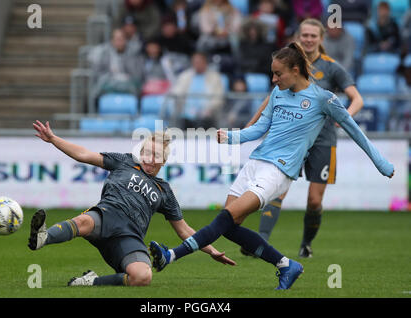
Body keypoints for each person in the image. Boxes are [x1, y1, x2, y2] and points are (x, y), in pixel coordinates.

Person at [149, 42, 394, 290]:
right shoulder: (278, 94)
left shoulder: (324, 99)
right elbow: (259, 128)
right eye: (272, 73)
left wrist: (381, 163)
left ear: (296, 70)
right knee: (230, 228)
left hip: (278, 171)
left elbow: (355, 131)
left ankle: (171, 255)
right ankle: (286, 265)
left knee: (227, 217)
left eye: (279, 74)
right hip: (255, 163)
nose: (274, 79)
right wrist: (232, 136)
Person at [28, 121, 236, 287]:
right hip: (106, 216)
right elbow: (84, 154)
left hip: (129, 237)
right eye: (146, 152)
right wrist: (54, 139)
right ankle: (43, 237)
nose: (149, 158)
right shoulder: (124, 162)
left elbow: (184, 230)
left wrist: (211, 251)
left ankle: (91, 281)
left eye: (156, 155)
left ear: (164, 161)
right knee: (84, 221)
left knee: (142, 277)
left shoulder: (164, 190)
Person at [244, 18, 364, 257]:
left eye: (313, 36)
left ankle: (306, 244)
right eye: (304, 35)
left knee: (314, 201)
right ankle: (260, 242)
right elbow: (273, 96)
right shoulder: (290, 63)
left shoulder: (332, 68)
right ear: (298, 37)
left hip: (323, 140)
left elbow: (357, 99)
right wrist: (252, 124)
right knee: (277, 190)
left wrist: (344, 117)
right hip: (292, 138)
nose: (308, 40)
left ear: (321, 39)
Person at [170, 51, 225, 129]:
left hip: (207, 114)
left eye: (199, 62)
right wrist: (183, 109)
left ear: (205, 62)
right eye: (195, 62)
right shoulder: (185, 76)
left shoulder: (215, 77)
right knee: (183, 121)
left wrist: (208, 110)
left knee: (204, 122)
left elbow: (218, 98)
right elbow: (176, 93)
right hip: (186, 113)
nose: (197, 64)